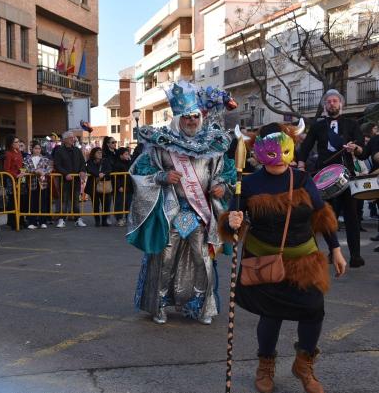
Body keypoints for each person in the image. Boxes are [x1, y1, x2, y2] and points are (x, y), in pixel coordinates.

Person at [221, 123, 347, 393]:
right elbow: (233, 224)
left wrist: (335, 248)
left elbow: (320, 213)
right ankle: (265, 365)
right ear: (258, 150)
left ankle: (304, 364)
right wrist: (233, 221)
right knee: (271, 314)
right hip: (264, 260)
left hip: (304, 260)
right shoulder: (248, 183)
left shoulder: (301, 179)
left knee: (314, 310)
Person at [129, 81, 233, 325]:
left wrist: (221, 186)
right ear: (178, 118)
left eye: (195, 116)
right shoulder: (162, 145)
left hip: (200, 213)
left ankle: (202, 305)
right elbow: (141, 171)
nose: (191, 120)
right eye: (186, 117)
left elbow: (225, 172)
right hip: (171, 212)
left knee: (203, 260)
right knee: (164, 260)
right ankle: (160, 305)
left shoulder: (213, 145)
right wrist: (162, 176)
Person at [297, 89, 366, 268]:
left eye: (335, 101)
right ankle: (332, 251)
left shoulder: (351, 124)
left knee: (352, 217)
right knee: (327, 217)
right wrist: (301, 165)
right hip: (323, 176)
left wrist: (355, 149)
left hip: (346, 175)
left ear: (341, 104)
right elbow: (305, 147)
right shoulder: (318, 126)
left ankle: (356, 256)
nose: (332, 104)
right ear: (325, 106)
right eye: (328, 101)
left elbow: (363, 149)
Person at [53, 131, 88, 228]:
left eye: (73, 137)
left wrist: (82, 171)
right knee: (64, 200)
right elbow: (57, 165)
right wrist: (65, 174)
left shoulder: (77, 150)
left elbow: (82, 163)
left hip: (76, 180)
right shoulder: (59, 151)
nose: (73, 139)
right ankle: (62, 219)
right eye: (71, 138)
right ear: (65, 140)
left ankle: (78, 219)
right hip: (64, 180)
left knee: (76, 200)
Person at [23, 141, 52, 229]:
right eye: (36, 148)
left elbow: (50, 168)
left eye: (39, 148)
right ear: (32, 149)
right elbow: (26, 168)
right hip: (32, 183)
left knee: (43, 202)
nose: (37, 150)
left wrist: (43, 172)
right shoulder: (27, 159)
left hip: (43, 183)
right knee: (32, 203)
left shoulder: (45, 159)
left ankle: (43, 221)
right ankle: (32, 222)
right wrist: (35, 171)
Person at [2, 135, 25, 229]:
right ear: (11, 144)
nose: (18, 143)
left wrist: (23, 171)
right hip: (12, 179)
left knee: (21, 200)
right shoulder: (8, 153)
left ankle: (21, 220)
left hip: (20, 178)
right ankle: (13, 222)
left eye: (18, 141)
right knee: (12, 201)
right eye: (16, 142)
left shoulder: (19, 152)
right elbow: (6, 169)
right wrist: (16, 175)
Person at [86, 147, 112, 227]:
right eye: (98, 152)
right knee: (96, 204)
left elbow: (110, 169)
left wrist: (103, 173)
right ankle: (97, 220)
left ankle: (104, 220)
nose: (100, 154)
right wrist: (98, 174)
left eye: (101, 152)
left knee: (106, 203)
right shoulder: (90, 161)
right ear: (93, 154)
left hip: (104, 184)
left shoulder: (105, 161)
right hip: (93, 185)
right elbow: (89, 169)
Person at [113, 147, 132, 227]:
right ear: (121, 155)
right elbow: (115, 177)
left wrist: (129, 161)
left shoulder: (129, 162)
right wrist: (119, 186)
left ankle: (128, 219)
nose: (128, 156)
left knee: (129, 203)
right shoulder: (117, 164)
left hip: (129, 186)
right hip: (121, 187)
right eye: (126, 154)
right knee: (120, 203)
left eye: (128, 154)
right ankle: (119, 219)